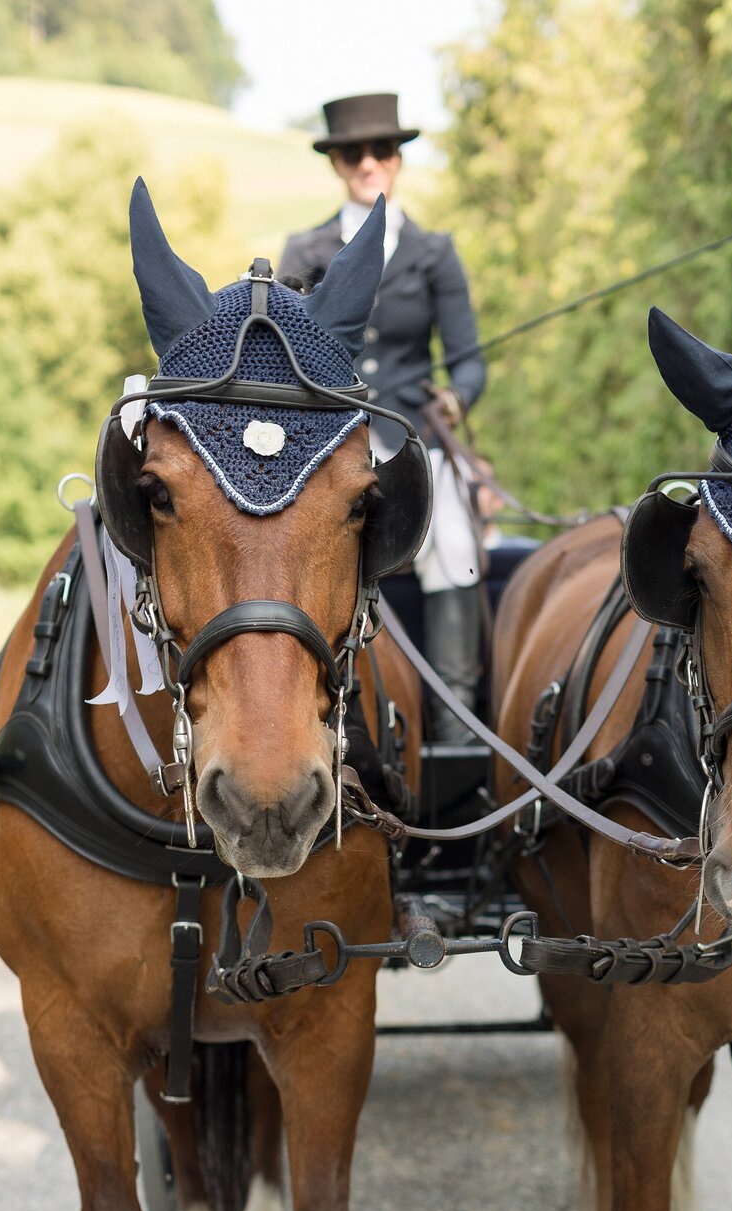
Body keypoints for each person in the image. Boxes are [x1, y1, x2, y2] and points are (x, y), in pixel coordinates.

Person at [279, 93, 487, 743]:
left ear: (397, 161)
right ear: (336, 163)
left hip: (410, 445)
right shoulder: (305, 252)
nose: (368, 163)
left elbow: (470, 363)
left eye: (382, 152)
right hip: (328, 445)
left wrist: (453, 399)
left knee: (453, 547)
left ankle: (454, 722)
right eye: (353, 153)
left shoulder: (433, 254)